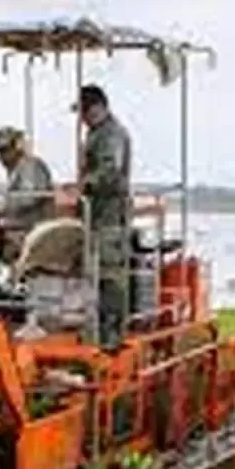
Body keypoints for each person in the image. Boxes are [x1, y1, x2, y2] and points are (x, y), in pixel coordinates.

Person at [75, 83, 133, 346]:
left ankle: (112, 334)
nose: (82, 118)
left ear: (98, 107)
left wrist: (86, 184)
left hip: (109, 215)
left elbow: (110, 171)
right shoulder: (97, 133)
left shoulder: (111, 135)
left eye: (85, 112)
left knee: (109, 274)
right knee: (94, 273)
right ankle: (95, 325)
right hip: (96, 215)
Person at [0, 125, 55, 266]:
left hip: (32, 230)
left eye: (5, 151)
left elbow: (30, 197)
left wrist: (0, 210)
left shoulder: (31, 166)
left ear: (17, 147)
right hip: (18, 228)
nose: (1, 157)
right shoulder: (16, 170)